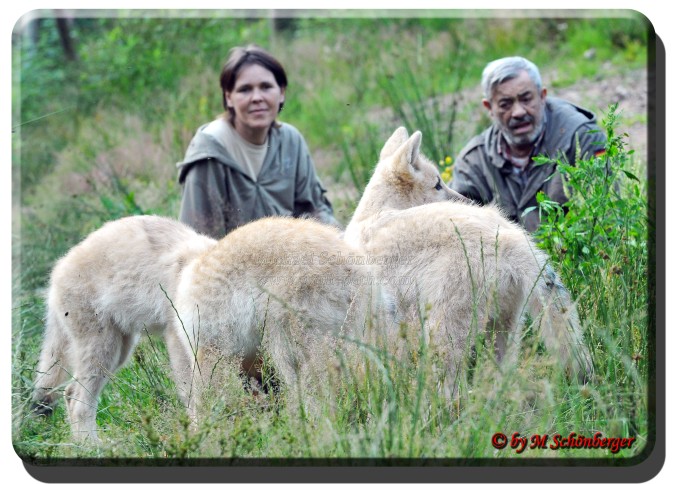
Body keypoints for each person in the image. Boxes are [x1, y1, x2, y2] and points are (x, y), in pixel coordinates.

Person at [177, 44, 339, 238]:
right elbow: (198, 239)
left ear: (281, 93)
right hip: (228, 264)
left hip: (289, 260)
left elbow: (313, 210)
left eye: (266, 87)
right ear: (229, 98)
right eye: (245, 90)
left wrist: (341, 242)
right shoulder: (210, 153)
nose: (257, 98)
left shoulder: (290, 141)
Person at [450, 56, 607, 232]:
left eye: (526, 99)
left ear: (542, 96)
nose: (518, 112)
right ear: (489, 108)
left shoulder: (582, 138)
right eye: (505, 104)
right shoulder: (474, 161)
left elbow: (605, 217)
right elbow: (454, 226)